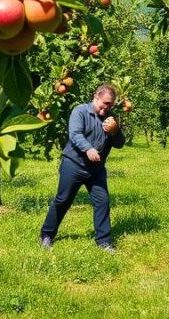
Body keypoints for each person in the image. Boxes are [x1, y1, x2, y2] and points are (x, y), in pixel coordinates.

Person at [39, 84, 125, 251]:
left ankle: (104, 242)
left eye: (111, 104)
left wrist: (115, 131)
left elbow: (120, 143)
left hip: (96, 169)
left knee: (102, 202)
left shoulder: (111, 119)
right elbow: (75, 134)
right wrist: (89, 148)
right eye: (105, 103)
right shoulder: (80, 111)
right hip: (74, 164)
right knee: (63, 200)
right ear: (96, 97)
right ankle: (46, 235)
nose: (108, 107)